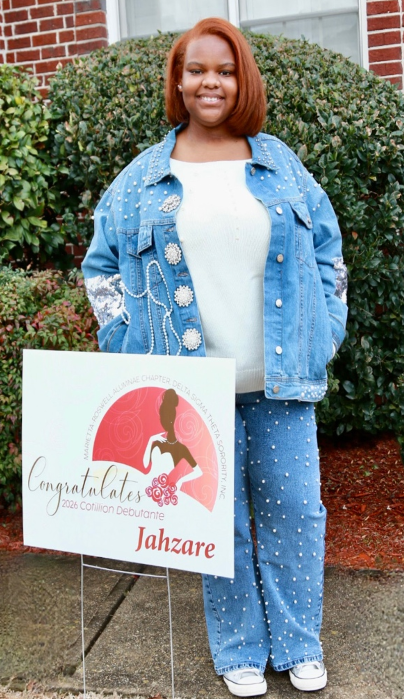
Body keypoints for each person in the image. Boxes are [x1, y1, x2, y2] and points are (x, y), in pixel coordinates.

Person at [82, 17, 348, 698]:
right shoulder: (144, 178)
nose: (211, 82)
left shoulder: (279, 163)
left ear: (242, 81)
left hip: (280, 381)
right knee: (215, 523)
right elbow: (101, 270)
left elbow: (327, 250)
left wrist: (325, 330)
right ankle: (238, 650)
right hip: (188, 393)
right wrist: (129, 350)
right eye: (196, 69)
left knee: (296, 513)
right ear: (177, 80)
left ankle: (299, 643)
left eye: (225, 71)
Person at [142, 388, 203, 490]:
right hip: (144, 483)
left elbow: (199, 472)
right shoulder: (157, 441)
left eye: (164, 418)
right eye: (161, 417)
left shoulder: (181, 449)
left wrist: (181, 480)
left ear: (172, 419)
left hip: (160, 490)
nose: (162, 421)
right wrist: (150, 440)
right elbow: (145, 465)